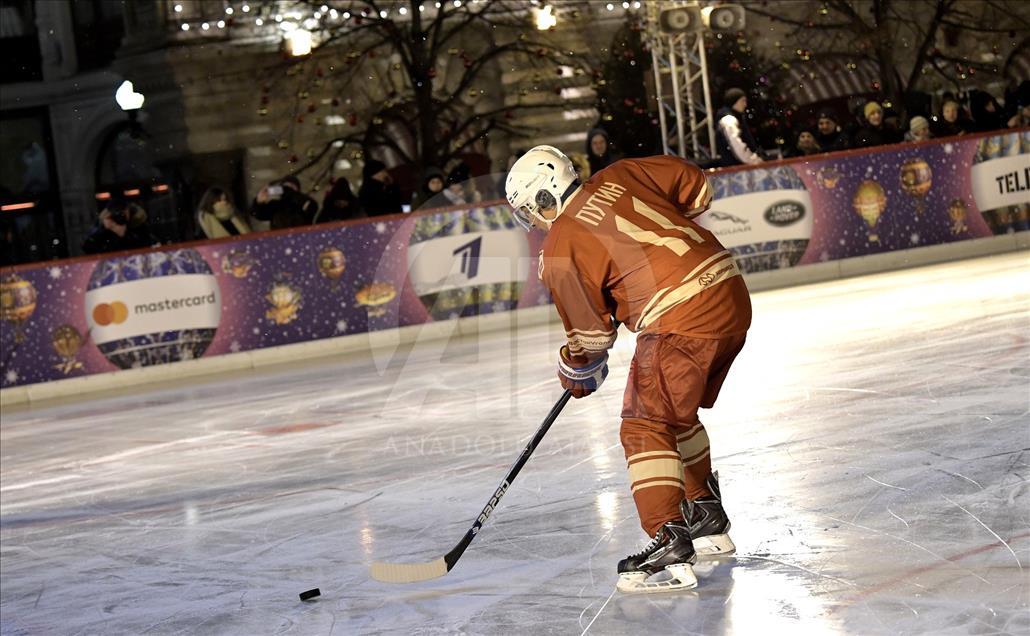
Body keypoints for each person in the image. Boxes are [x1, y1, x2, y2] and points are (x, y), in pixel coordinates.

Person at [505, 146, 750, 593]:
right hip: (729, 290)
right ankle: (705, 513)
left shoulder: (561, 244)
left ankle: (668, 537)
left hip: (682, 316)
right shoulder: (622, 173)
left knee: (643, 424)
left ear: (546, 197)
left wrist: (574, 368)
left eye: (531, 211)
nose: (535, 222)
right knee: (674, 415)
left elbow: (591, 340)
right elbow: (697, 190)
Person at [81, 200, 155, 254]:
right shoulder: (103, 232)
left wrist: (122, 233)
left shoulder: (139, 227)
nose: (120, 216)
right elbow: (88, 248)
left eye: (123, 213)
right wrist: (105, 228)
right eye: (116, 213)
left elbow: (147, 247)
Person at [714, 88, 763, 167]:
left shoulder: (736, 119)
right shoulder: (728, 121)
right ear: (734, 102)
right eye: (743, 101)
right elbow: (737, 147)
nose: (745, 104)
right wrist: (755, 161)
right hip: (736, 171)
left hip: (739, 168)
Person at [250, 175, 318, 230]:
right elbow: (257, 214)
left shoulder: (303, 201)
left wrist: (287, 191)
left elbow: (312, 207)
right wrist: (258, 202)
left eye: (292, 186)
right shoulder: (276, 205)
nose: (288, 188)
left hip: (300, 239)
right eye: (285, 186)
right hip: (279, 240)